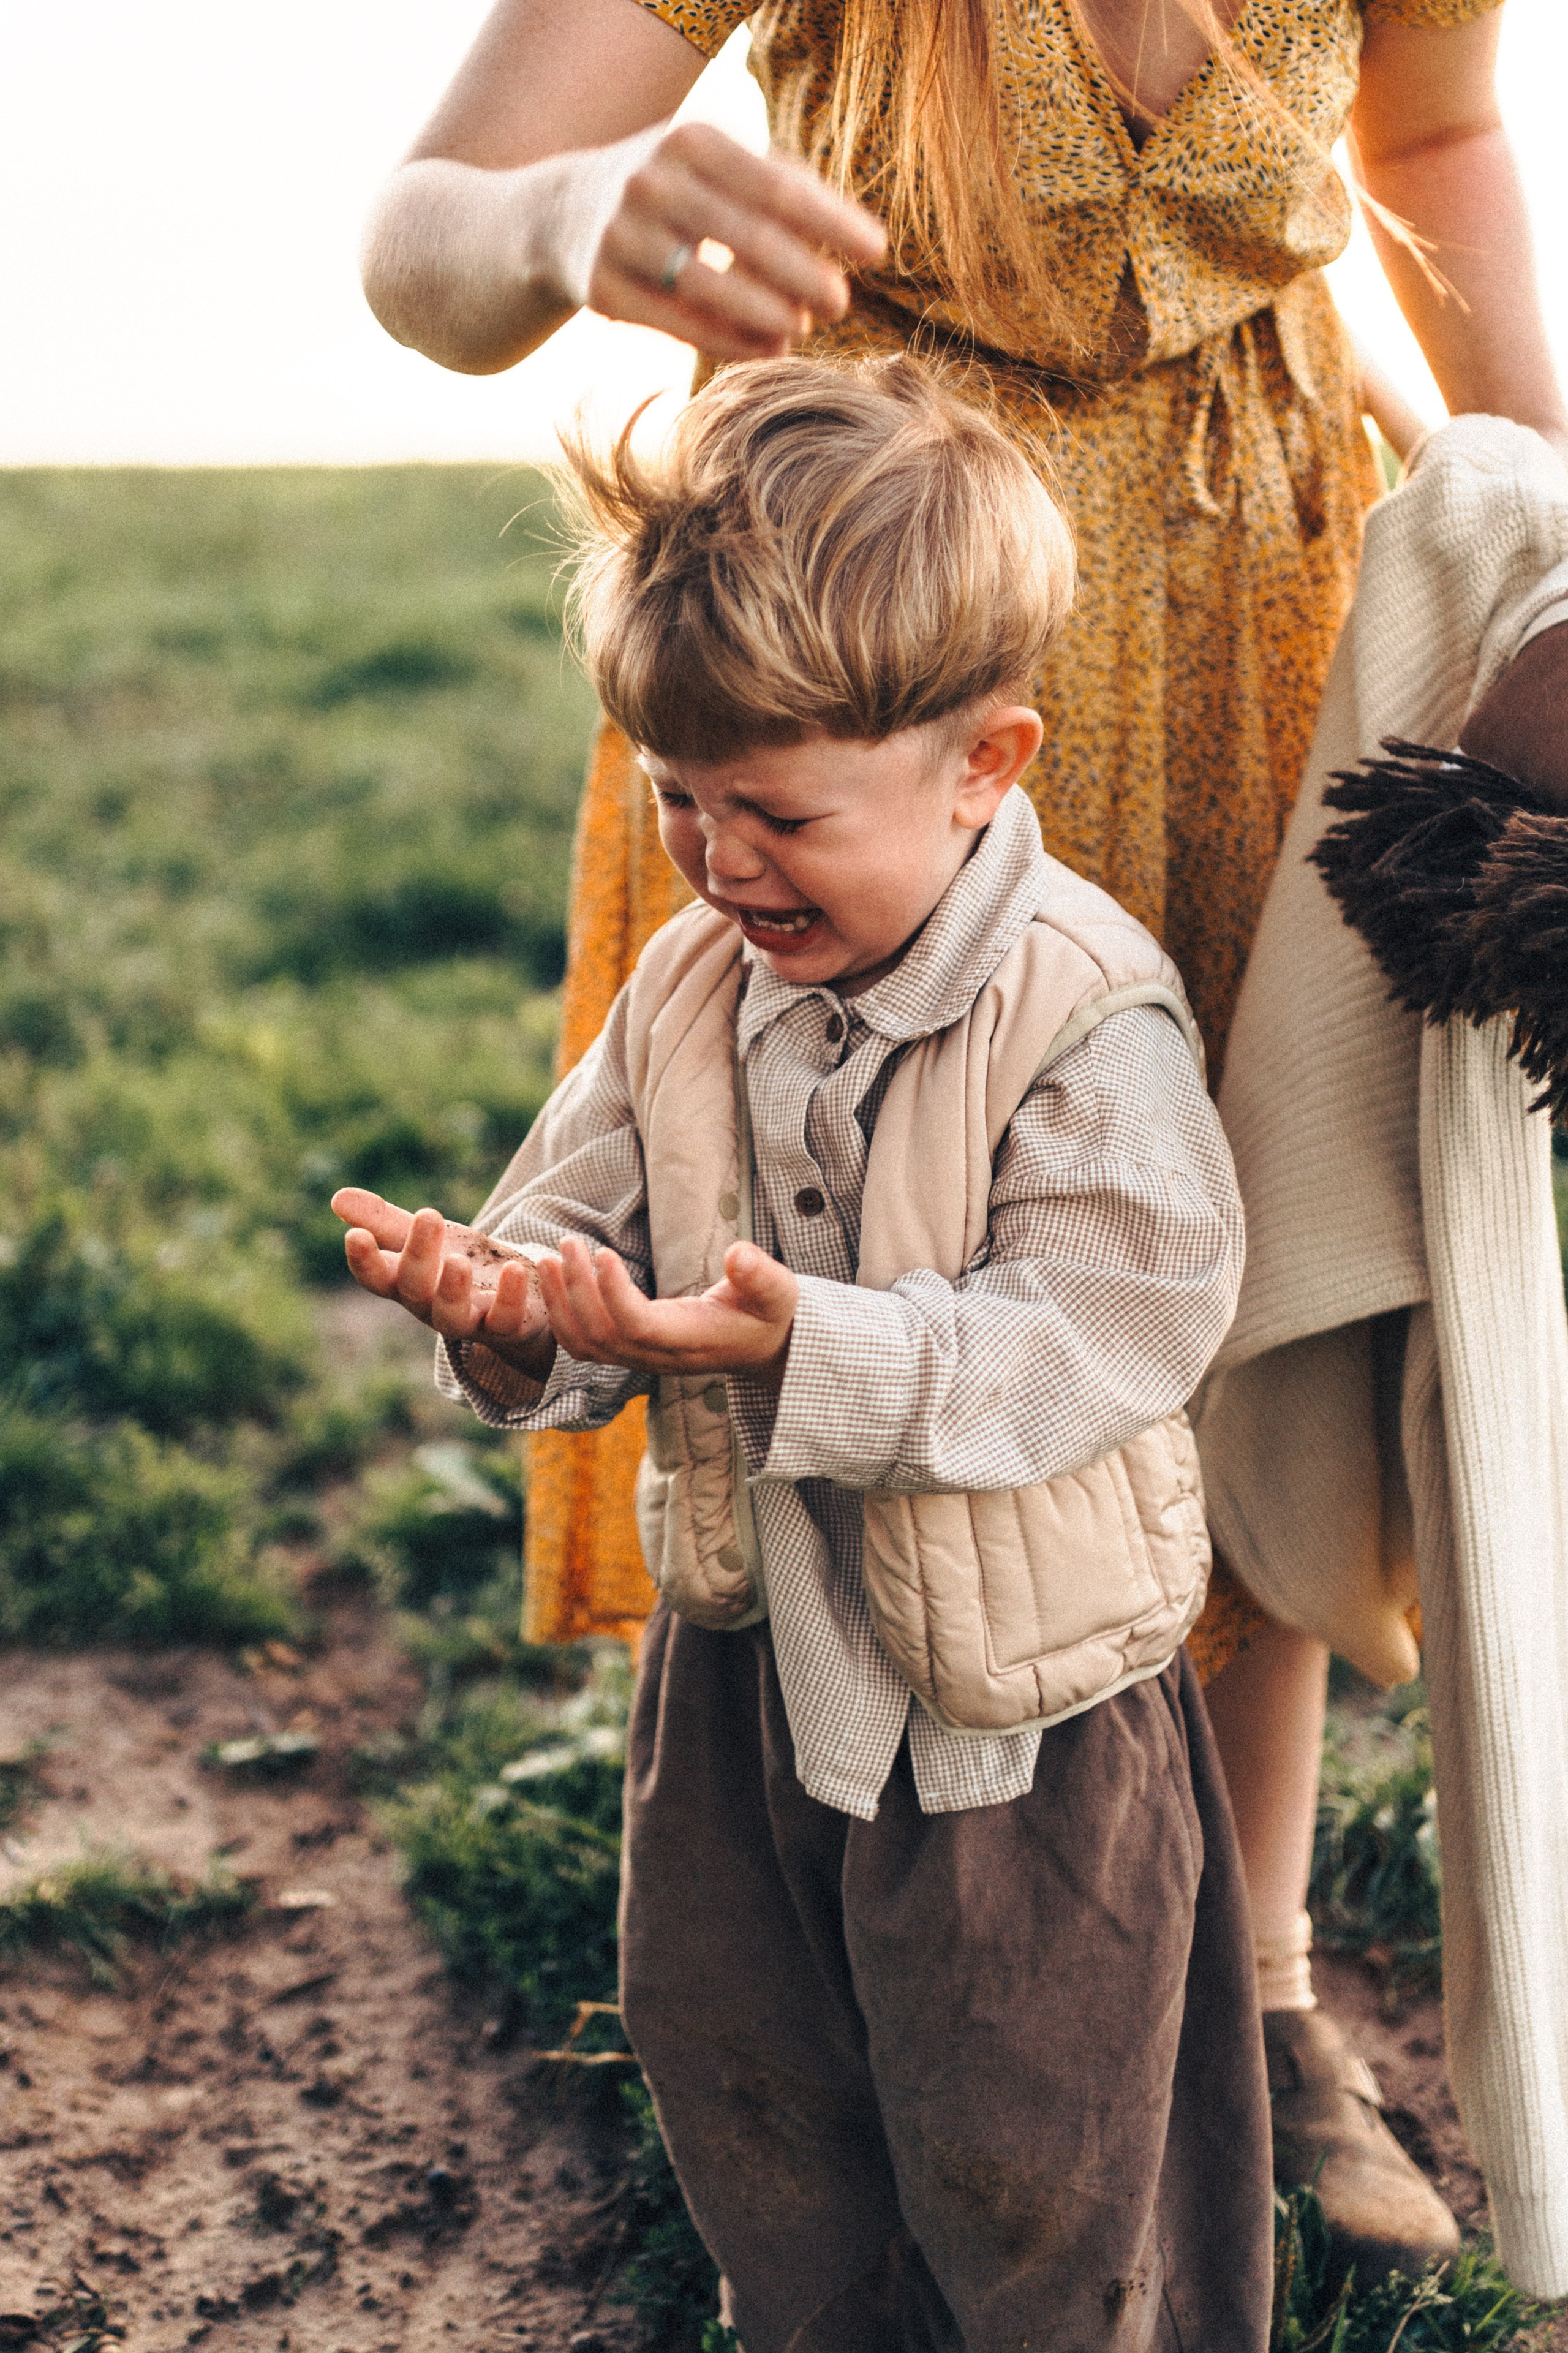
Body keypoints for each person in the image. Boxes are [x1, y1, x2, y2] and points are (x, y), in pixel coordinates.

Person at [360, 0, 1568, 2273]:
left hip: (1256, 576)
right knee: (850, 1228)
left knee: (1234, 1276)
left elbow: (1454, 128)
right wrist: (563, 217)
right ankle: (829, 1908)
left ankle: (1260, 1984)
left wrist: (1553, 533)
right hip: (854, 637)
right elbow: (425, 239)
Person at [333, 351, 1270, 2351]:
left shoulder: (1079, 1010)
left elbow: (1122, 1314)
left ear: (985, 763)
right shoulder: (689, 984)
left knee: (1038, 2143)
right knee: (750, 2073)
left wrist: (805, 1350)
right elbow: (579, 1213)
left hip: (1017, 1727)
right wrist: (515, 1311)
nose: (720, 860)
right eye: (678, 797)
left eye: (777, 811)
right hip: (753, 1672)